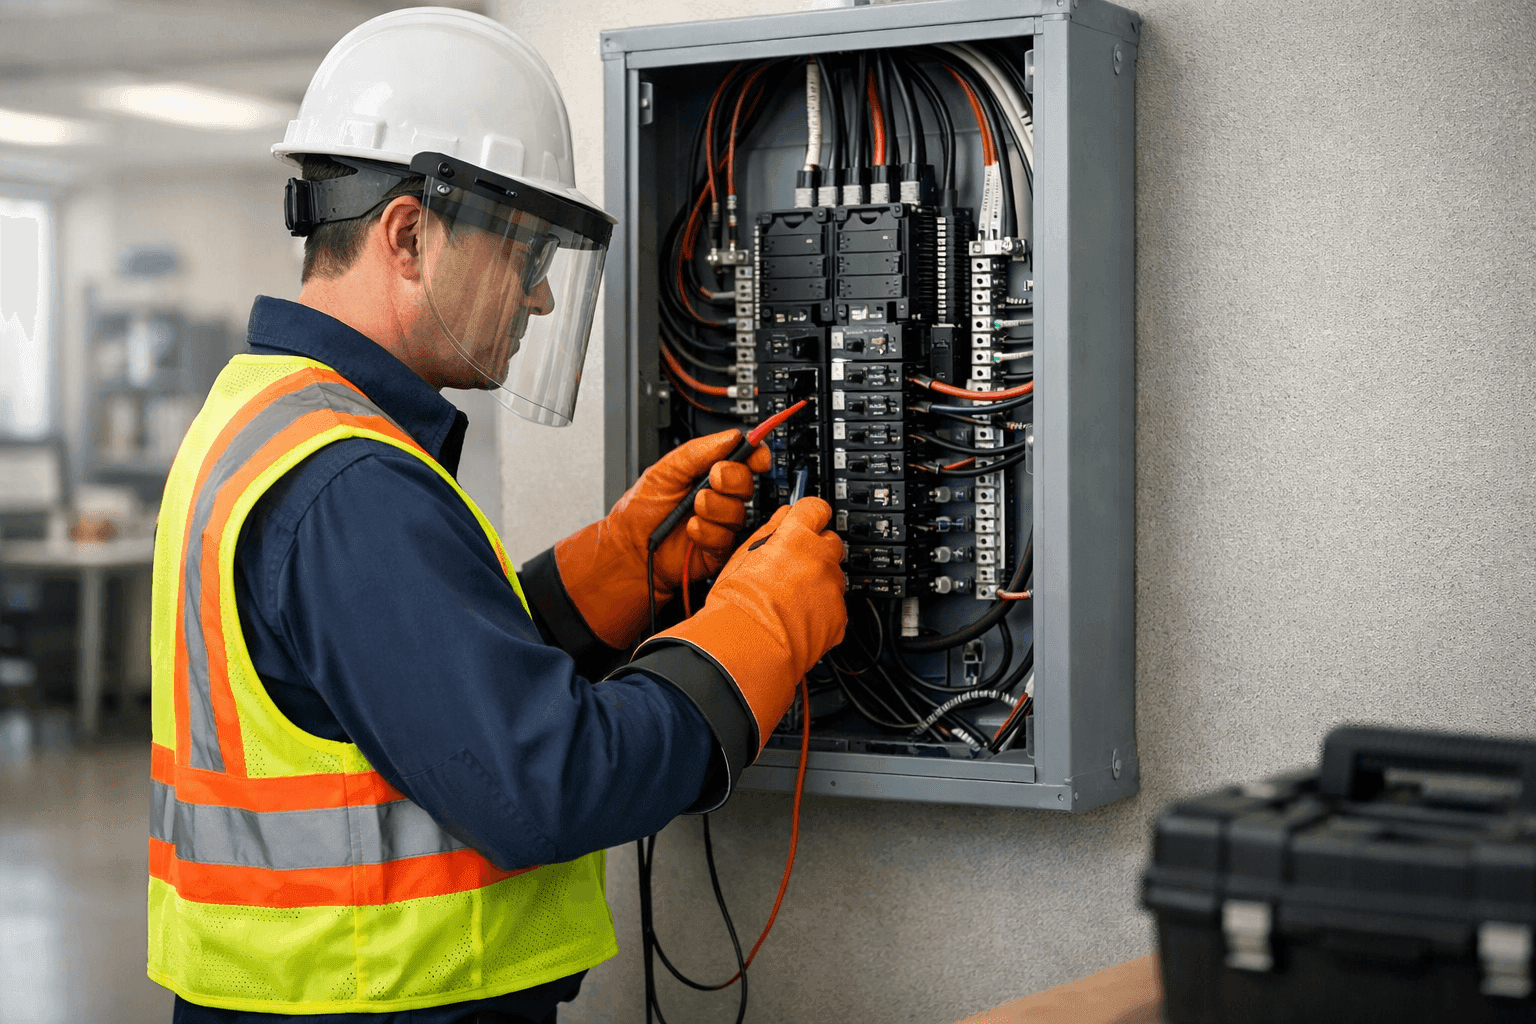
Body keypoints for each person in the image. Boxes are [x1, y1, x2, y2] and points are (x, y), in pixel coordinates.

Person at [145, 8, 848, 1023]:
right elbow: (546, 782)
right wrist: (761, 630)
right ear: (408, 235)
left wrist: (609, 573)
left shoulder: (268, 418)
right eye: (523, 249)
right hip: (376, 1002)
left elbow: (383, 697)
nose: (542, 299)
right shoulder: (349, 482)